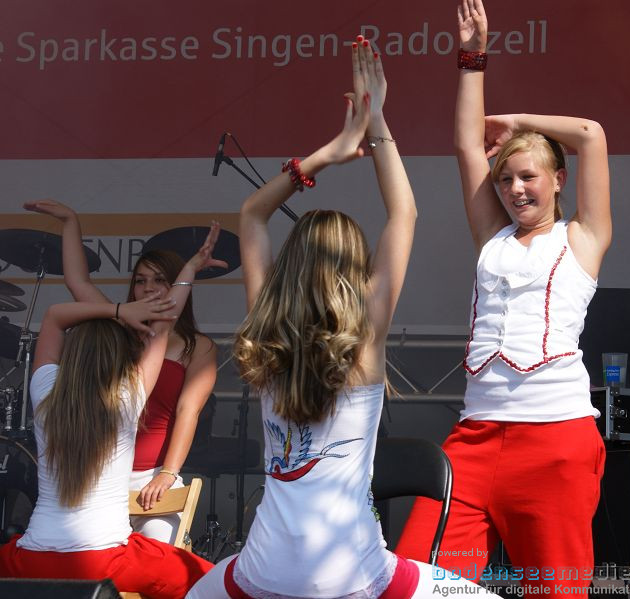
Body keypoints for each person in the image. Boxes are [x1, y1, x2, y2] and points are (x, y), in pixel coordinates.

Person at [187, 39, 497, 599]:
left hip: (261, 575)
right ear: (356, 271)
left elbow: (252, 213)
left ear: (289, 266)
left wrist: (329, 152)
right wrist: (376, 123)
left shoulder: (265, 334)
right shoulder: (366, 340)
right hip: (353, 578)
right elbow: (405, 212)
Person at [396, 0, 612, 595]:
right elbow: (469, 146)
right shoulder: (491, 237)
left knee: (557, 590)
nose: (515, 189)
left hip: (555, 441)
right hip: (475, 437)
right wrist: (473, 58)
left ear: (557, 181)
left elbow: (591, 135)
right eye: (507, 179)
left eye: (529, 177)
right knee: (418, 578)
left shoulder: (582, 240)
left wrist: (515, 122)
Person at [0, 225, 224, 597]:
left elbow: (55, 314)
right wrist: (190, 271)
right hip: (104, 558)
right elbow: (164, 323)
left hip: (32, 554)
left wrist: (117, 309)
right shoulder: (126, 398)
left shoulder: (44, 393)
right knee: (214, 582)